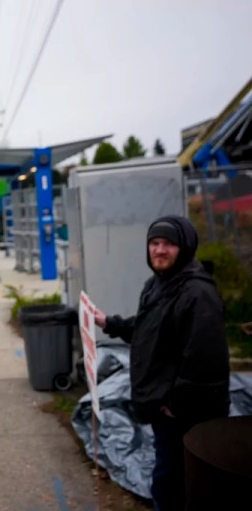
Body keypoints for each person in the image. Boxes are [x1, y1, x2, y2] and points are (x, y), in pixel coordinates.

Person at [94, 216, 229, 511]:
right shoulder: (158, 285)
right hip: (165, 405)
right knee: (171, 480)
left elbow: (205, 362)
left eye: (169, 243)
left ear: (185, 247)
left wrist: (174, 405)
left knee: (172, 484)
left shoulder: (197, 293)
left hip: (186, 412)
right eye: (154, 243)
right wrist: (110, 323)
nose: (160, 250)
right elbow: (147, 328)